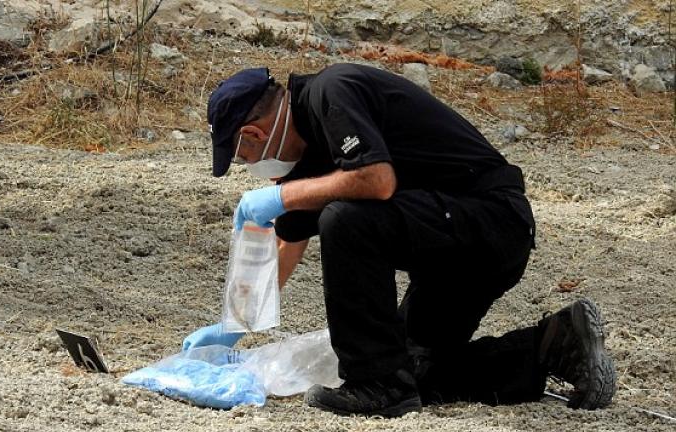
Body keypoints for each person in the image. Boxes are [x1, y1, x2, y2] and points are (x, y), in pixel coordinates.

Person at [182, 64, 616, 417]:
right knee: (414, 370)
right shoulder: (306, 158)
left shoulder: (332, 92)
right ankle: (551, 345)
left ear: (254, 134)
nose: (249, 164)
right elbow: (285, 247)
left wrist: (280, 196)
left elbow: (377, 180)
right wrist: (232, 328)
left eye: (241, 156)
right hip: (447, 250)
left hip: (490, 221)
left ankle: (375, 384)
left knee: (345, 219)